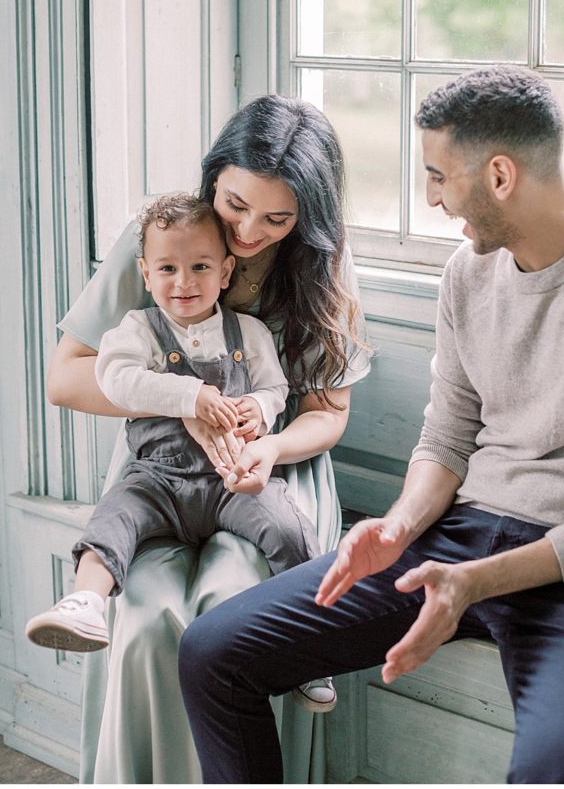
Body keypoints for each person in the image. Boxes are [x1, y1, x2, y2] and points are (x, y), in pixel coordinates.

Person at [178, 65, 564, 785]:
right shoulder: (469, 272)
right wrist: (399, 527)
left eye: (439, 176)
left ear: (499, 175)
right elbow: (447, 438)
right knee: (214, 654)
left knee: (559, 768)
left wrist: (474, 581)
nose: (430, 198)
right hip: (457, 535)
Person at [45, 96, 371, 782]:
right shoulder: (165, 237)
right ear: (213, 175)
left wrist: (267, 446)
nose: (250, 231)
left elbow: (325, 412)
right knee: (139, 621)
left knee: (230, 616)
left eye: (277, 218)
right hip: (156, 473)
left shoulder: (321, 273)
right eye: (235, 205)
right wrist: (183, 403)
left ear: (307, 218)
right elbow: (67, 378)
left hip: (268, 472)